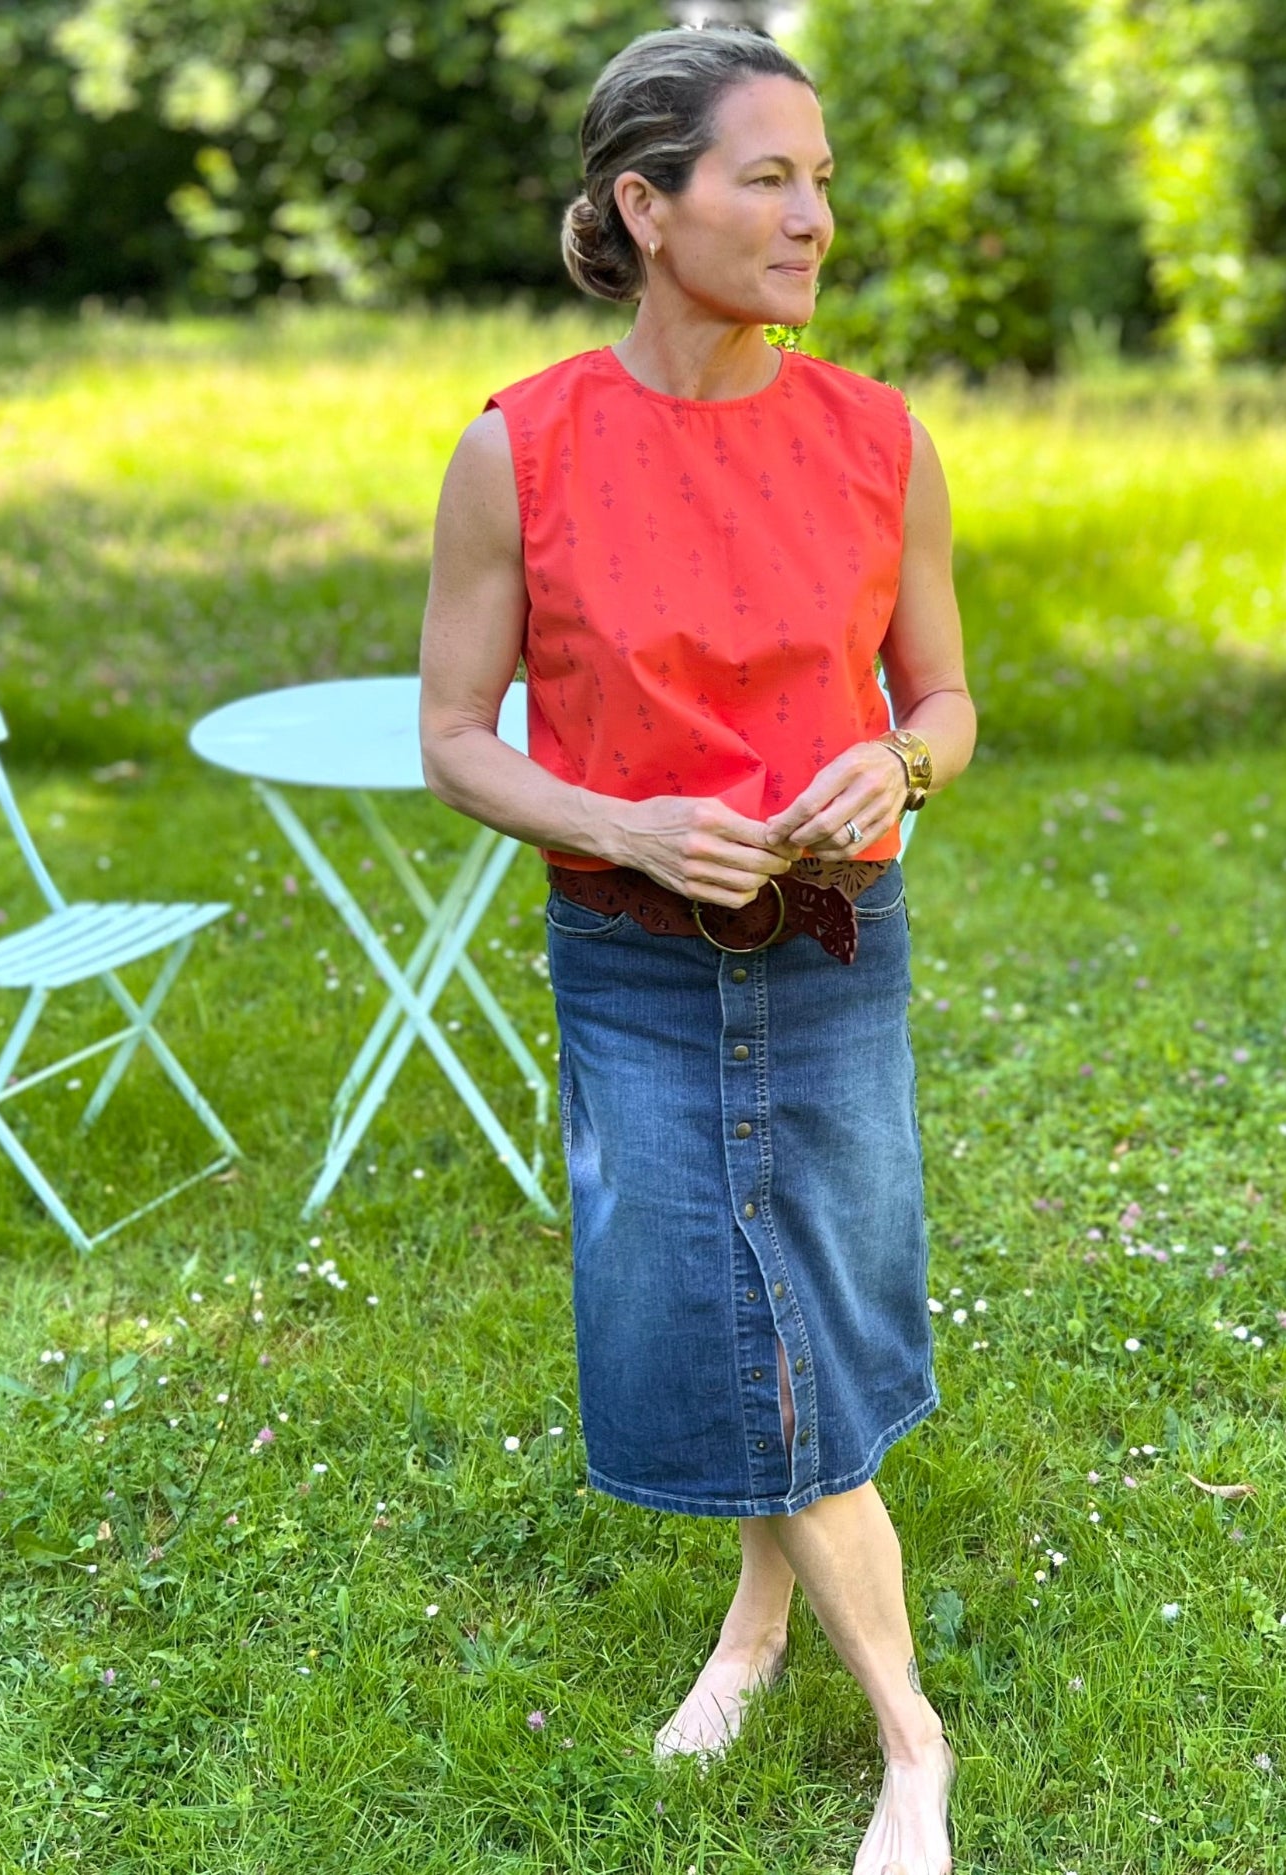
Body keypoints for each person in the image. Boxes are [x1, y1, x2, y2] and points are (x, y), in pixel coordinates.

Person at [419, 21, 976, 1875]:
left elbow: (950, 700)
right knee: (748, 1318)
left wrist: (889, 759)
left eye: (821, 178)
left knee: (792, 1321)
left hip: (835, 945)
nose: (814, 214)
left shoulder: (879, 440)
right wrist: (621, 820)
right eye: (770, 176)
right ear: (646, 207)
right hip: (637, 964)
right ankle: (892, 1717)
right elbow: (454, 738)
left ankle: (865, 1712)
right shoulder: (522, 450)